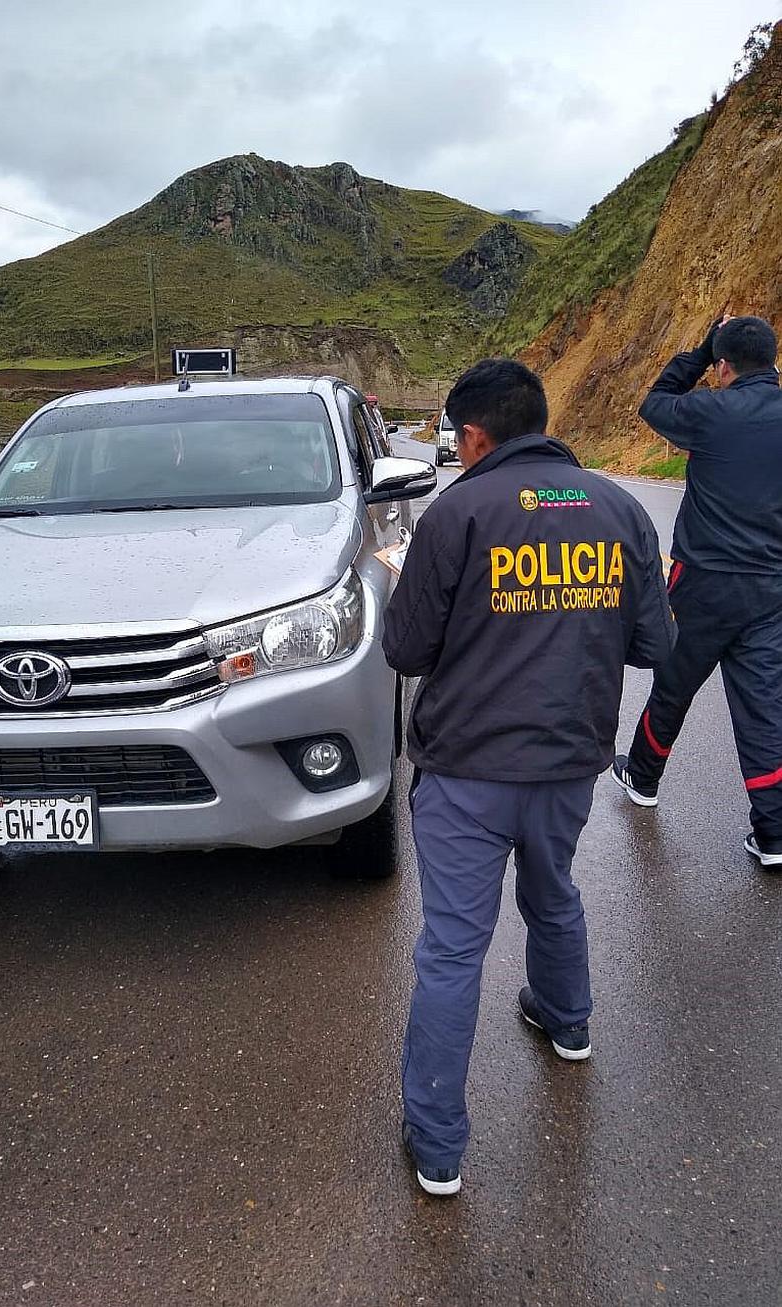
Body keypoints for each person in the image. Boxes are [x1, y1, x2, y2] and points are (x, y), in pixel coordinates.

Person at [382, 358, 673, 1197]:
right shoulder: (618, 509)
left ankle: (438, 1145)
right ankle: (567, 1018)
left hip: (466, 770)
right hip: (568, 764)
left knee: (452, 948)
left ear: (474, 436)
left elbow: (406, 651)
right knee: (553, 893)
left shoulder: (457, 512)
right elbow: (653, 643)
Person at [612, 317, 782, 869]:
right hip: (772, 587)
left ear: (725, 366)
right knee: (764, 705)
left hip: (704, 578)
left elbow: (655, 402)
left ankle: (642, 777)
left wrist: (701, 351)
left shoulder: (710, 411)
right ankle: (774, 833)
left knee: (675, 682)